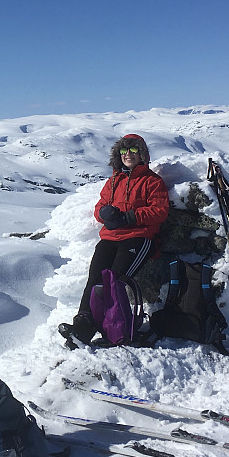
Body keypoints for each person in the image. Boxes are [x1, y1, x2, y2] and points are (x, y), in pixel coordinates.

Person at [60, 133, 169, 345]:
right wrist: (105, 215)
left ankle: (116, 329)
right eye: (123, 150)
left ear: (143, 154)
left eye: (133, 149)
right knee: (94, 279)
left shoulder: (152, 181)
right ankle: (83, 327)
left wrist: (128, 217)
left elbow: (160, 211)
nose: (128, 154)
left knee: (114, 280)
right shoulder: (113, 182)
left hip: (139, 237)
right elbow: (99, 207)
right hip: (111, 237)